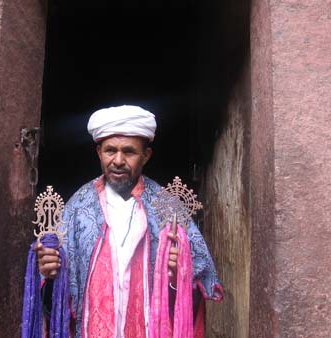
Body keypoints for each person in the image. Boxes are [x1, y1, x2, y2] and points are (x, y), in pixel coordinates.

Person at [34, 105, 223, 338]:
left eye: (129, 151)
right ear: (99, 153)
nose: (118, 160)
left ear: (146, 156)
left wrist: (177, 274)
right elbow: (57, 293)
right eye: (110, 150)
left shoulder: (167, 207)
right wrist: (51, 272)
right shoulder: (78, 207)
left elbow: (196, 287)